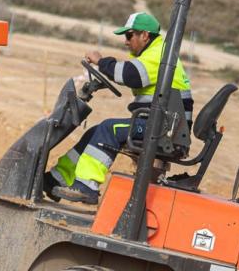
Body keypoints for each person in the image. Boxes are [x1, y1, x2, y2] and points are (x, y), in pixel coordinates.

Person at [44, 12, 193, 205]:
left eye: (129, 35)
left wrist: (100, 61)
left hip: (164, 129)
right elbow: (129, 74)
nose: (126, 41)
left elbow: (129, 74)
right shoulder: (155, 54)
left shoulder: (159, 55)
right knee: (95, 132)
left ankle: (87, 186)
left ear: (145, 35)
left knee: (108, 128)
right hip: (160, 124)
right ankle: (57, 178)